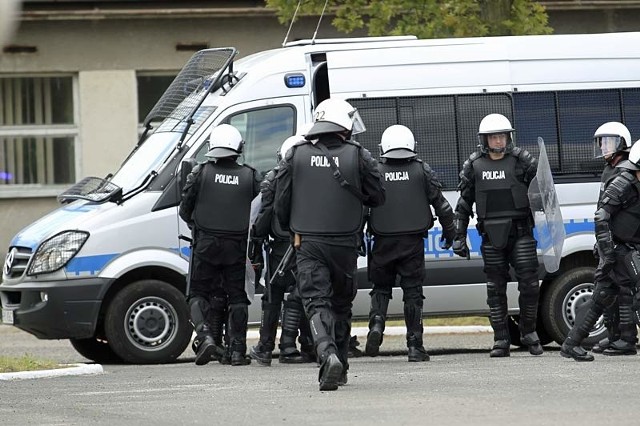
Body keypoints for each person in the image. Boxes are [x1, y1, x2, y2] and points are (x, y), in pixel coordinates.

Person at [274, 98, 385, 391]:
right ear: (343, 124)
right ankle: (342, 366)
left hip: (308, 240)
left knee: (315, 302)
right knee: (341, 303)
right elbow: (378, 196)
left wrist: (292, 228)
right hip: (346, 242)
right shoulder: (359, 155)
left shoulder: (295, 155)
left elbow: (281, 203)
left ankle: (327, 354)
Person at [452, 113, 542, 358]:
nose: (499, 141)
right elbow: (464, 203)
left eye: (502, 136)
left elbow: (542, 190)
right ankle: (501, 339)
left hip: (521, 231)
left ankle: (528, 333)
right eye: (494, 137)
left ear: (508, 137)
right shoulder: (474, 165)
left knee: (530, 285)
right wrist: (458, 235)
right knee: (495, 288)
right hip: (491, 235)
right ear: (485, 140)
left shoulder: (523, 161)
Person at [364, 124, 455, 362]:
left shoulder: (374, 170)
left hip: (382, 241)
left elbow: (363, 207)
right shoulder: (421, 170)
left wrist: (357, 237)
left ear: (383, 147)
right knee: (413, 293)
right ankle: (415, 346)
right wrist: (450, 232)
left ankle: (376, 323)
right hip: (412, 243)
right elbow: (442, 205)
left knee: (381, 288)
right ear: (412, 145)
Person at [179, 123, 261, 366]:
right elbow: (260, 210)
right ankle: (237, 352)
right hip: (237, 246)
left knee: (197, 293)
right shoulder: (251, 175)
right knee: (237, 296)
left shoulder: (200, 172)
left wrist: (199, 226)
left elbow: (185, 210)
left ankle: (204, 337)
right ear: (238, 148)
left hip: (205, 243)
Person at [561, 127, 639, 362]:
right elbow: (601, 216)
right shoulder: (623, 181)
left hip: (623, 249)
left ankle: (571, 344)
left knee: (601, 297)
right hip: (619, 250)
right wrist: (608, 254)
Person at [248, 133, 315, 366]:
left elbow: (264, 213)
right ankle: (307, 344)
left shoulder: (274, 178)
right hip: (309, 242)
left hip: (281, 245)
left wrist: (256, 238)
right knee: (306, 293)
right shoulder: (314, 176)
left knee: (273, 296)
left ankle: (268, 347)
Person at [588, 122, 634, 354]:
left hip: (624, 240)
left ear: (622, 143)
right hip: (609, 238)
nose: (605, 147)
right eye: (602, 142)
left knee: (624, 290)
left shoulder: (626, 168)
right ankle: (613, 334)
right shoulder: (609, 169)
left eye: (610, 142)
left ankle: (626, 339)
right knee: (608, 288)